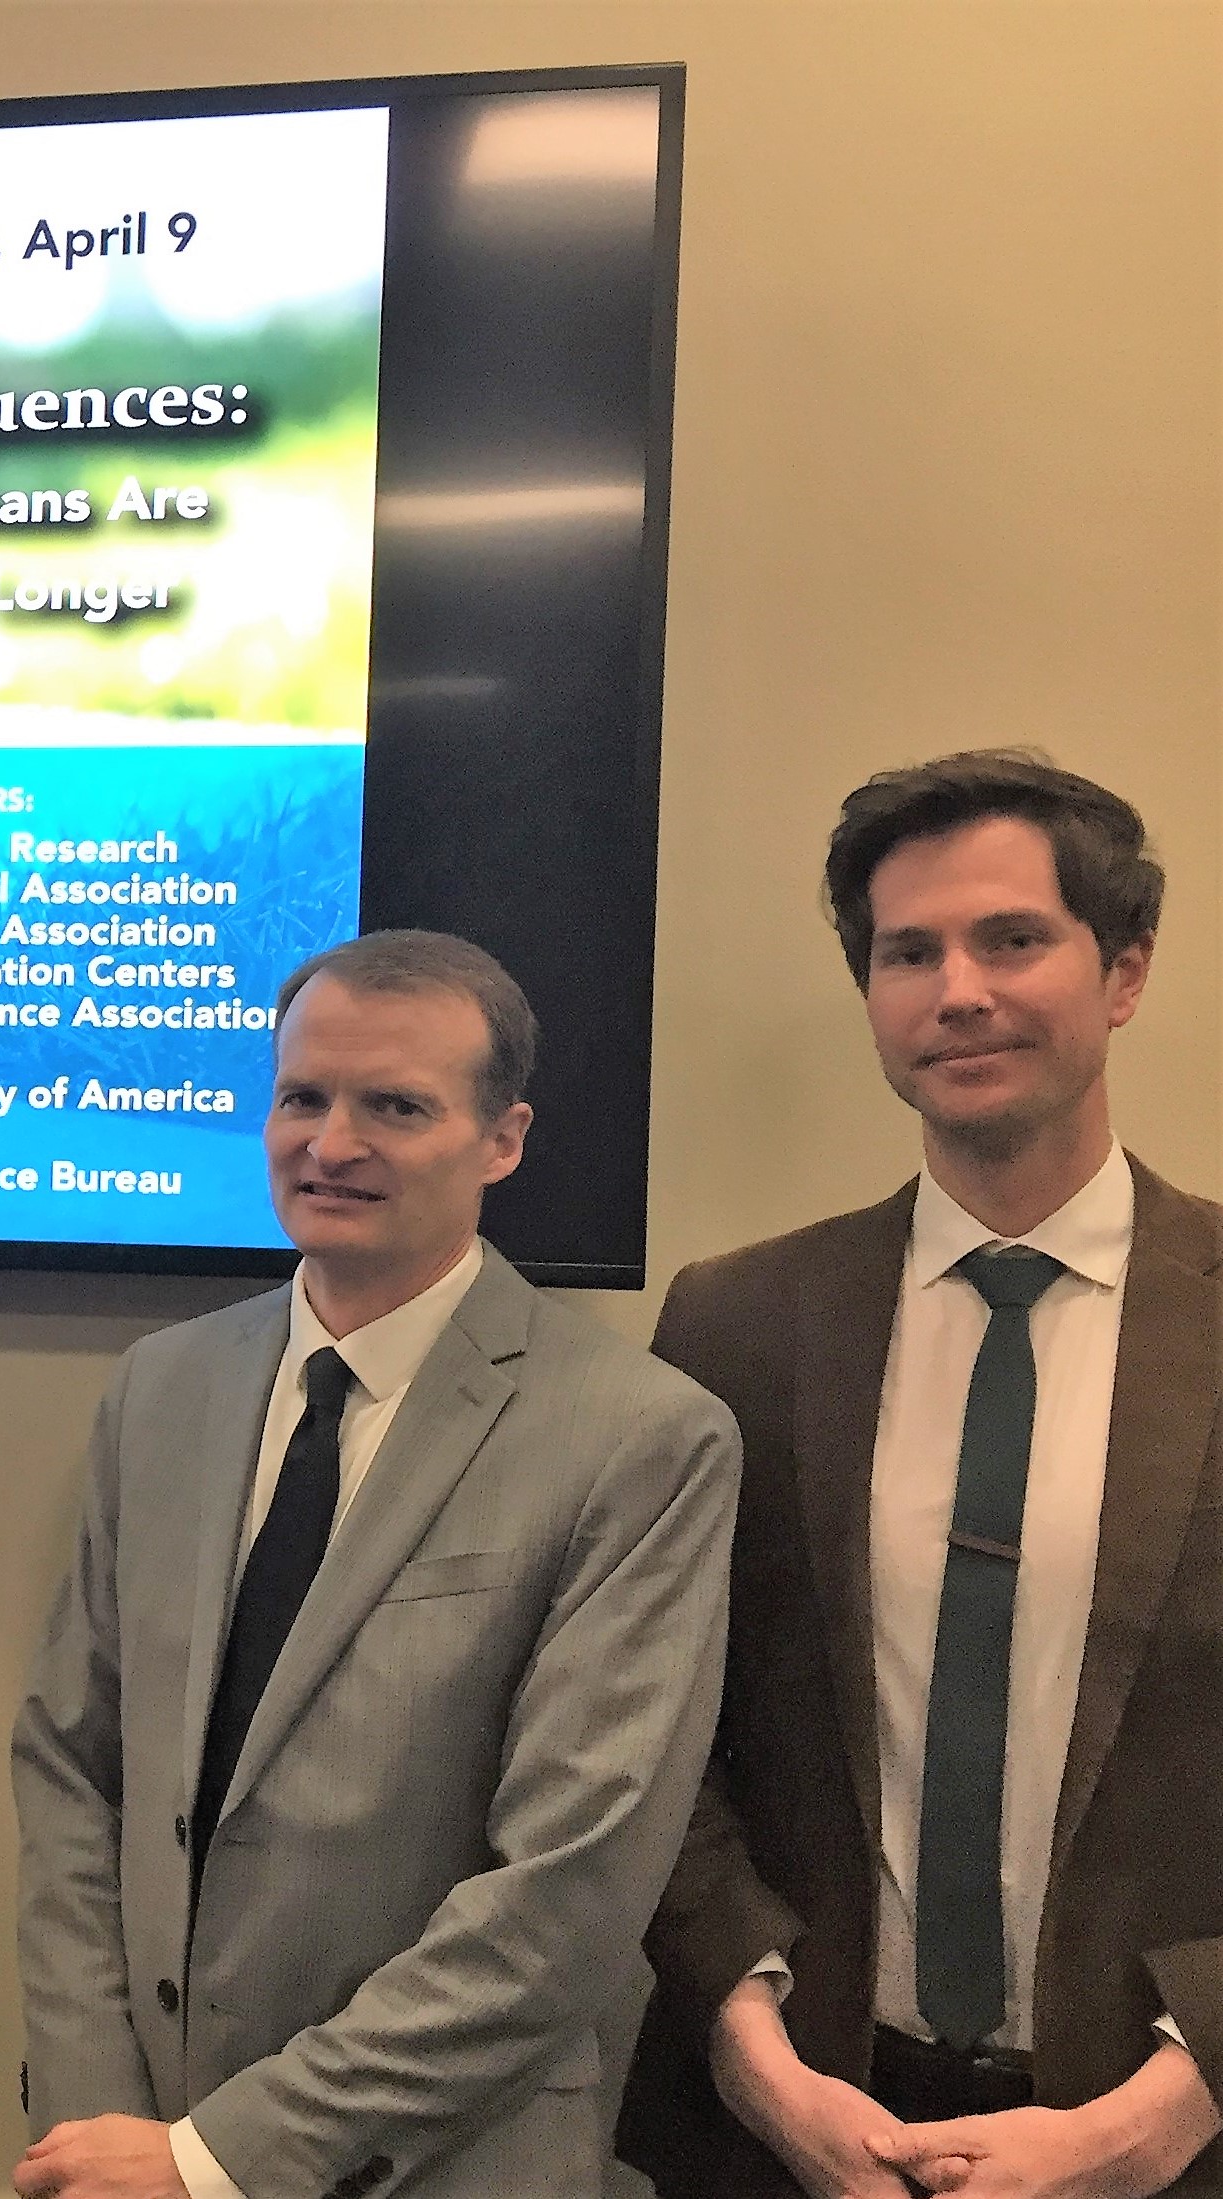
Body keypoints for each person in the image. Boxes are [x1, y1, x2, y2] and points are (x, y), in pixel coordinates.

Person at [12, 928, 741, 2199]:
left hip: (445, 2161)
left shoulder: (642, 1436)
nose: (331, 1143)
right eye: (303, 1097)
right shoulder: (162, 1390)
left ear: (502, 1140)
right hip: (126, 2152)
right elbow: (74, 1765)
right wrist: (104, 2111)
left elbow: (567, 1893)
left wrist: (220, 2159)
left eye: (395, 1107)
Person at [622, 752, 1223, 2198]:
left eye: (1012, 937)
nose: (958, 989)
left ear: (1123, 969)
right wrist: (752, 2056)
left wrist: (1168, 2103)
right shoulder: (738, 1321)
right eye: (908, 951)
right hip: (800, 2133)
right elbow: (655, 1726)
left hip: (1168, 2140)